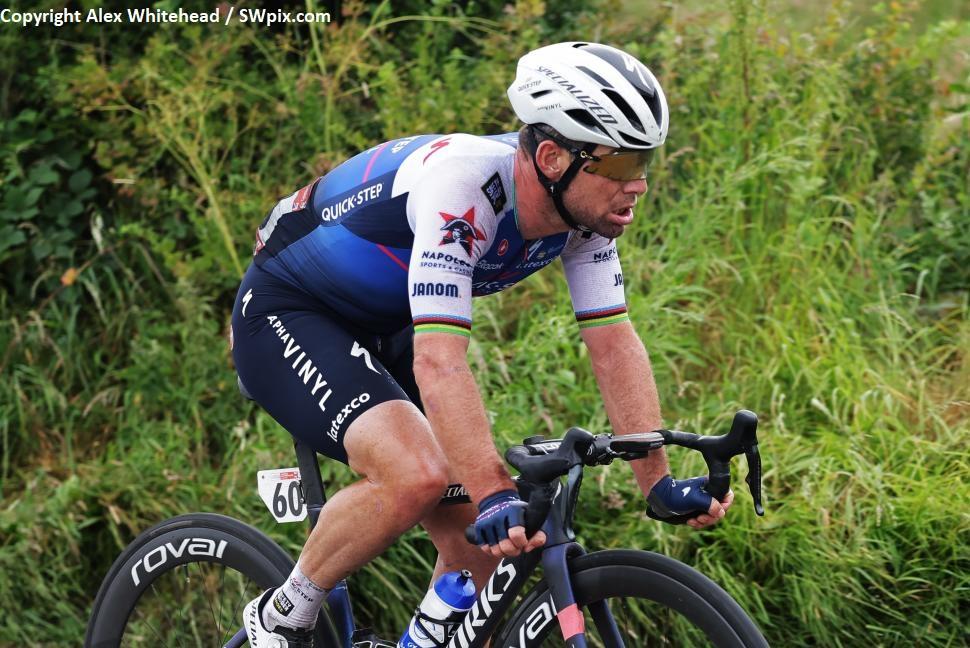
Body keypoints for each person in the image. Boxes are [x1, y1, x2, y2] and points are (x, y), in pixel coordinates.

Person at [231, 41, 733, 648]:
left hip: (387, 325)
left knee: (484, 546)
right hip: (289, 309)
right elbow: (440, 361)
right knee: (419, 473)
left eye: (645, 163)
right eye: (624, 166)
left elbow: (613, 343)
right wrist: (493, 488)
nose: (639, 186)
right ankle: (282, 615)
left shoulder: (581, 214)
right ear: (552, 157)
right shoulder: (464, 187)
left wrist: (655, 483)